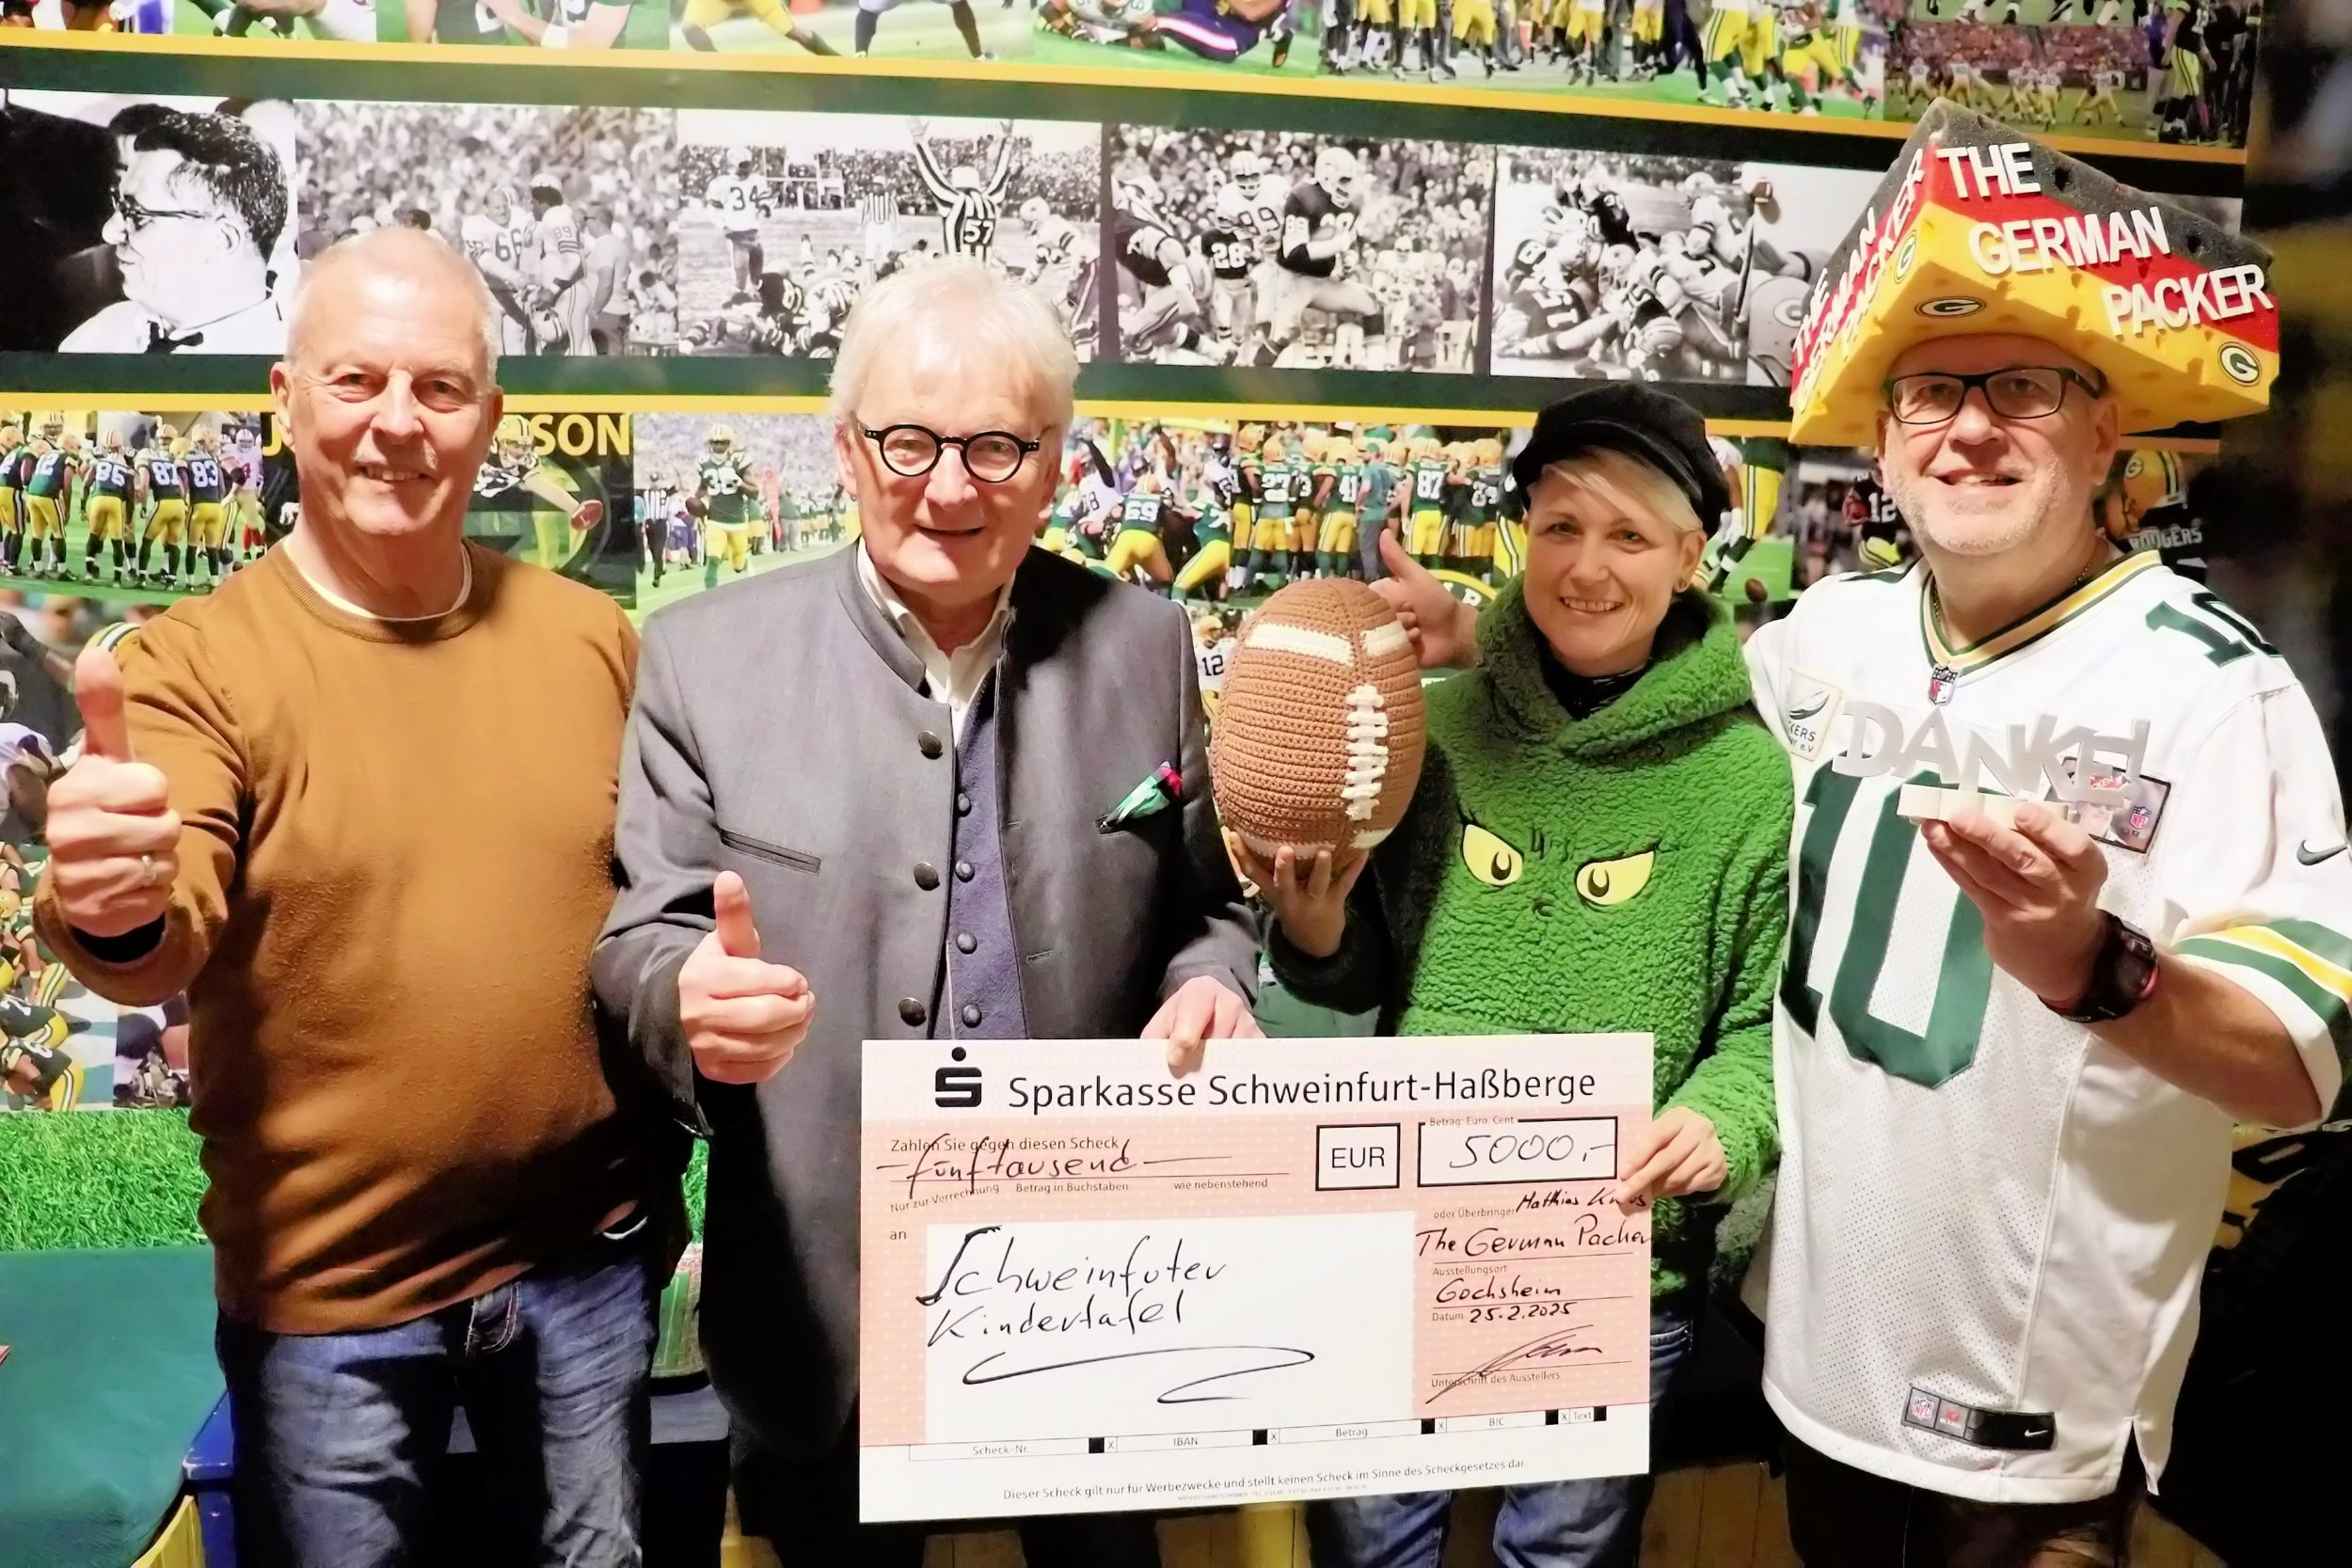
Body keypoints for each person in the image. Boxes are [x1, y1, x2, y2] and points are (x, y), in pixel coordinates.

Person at [1406, 113, 2343, 1566]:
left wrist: (2094, 965)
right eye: (1929, 395)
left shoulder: (2215, 687)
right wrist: (1492, 636)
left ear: (2111, 428)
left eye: (2023, 388)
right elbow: (1651, 700)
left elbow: (2294, 1062)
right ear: (1882, 450)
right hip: (1816, 1343)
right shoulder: (1824, 640)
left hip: (2032, 1402)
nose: (1971, 426)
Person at [593, 256, 1260, 1568]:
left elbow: (1211, 904)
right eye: (907, 438)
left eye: (998, 445)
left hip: (1103, 1292)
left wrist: (1216, 977)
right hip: (823, 1307)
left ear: (1058, 462)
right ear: (845, 448)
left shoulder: (1147, 643)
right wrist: (686, 997)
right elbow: (639, 943)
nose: (950, 485)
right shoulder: (704, 656)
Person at [32, 227, 676, 1568]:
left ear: (490, 417)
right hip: (331, 1302)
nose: (398, 423)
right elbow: (159, 929)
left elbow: (661, 905)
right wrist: (110, 897)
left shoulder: (594, 639)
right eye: (356, 381)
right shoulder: (193, 662)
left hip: (586, 1264)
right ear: (286, 396)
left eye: (440, 388)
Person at [1251, 384, 1790, 1568]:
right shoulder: (1426, 731)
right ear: (1521, 536)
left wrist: (1721, 1120)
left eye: (1629, 534)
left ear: (1691, 555)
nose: (1587, 567)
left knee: (1564, 1553)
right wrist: (1319, 927)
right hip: (1395, 1237)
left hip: (1615, 1265)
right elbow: (1347, 987)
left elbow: (1761, 1027)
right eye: (1560, 526)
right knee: (1369, 1547)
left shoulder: (1747, 780)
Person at [61, 105, 290, 355]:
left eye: (137, 215)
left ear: (222, 240)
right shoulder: (102, 333)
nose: (109, 232)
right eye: (120, 204)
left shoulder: (291, 368)